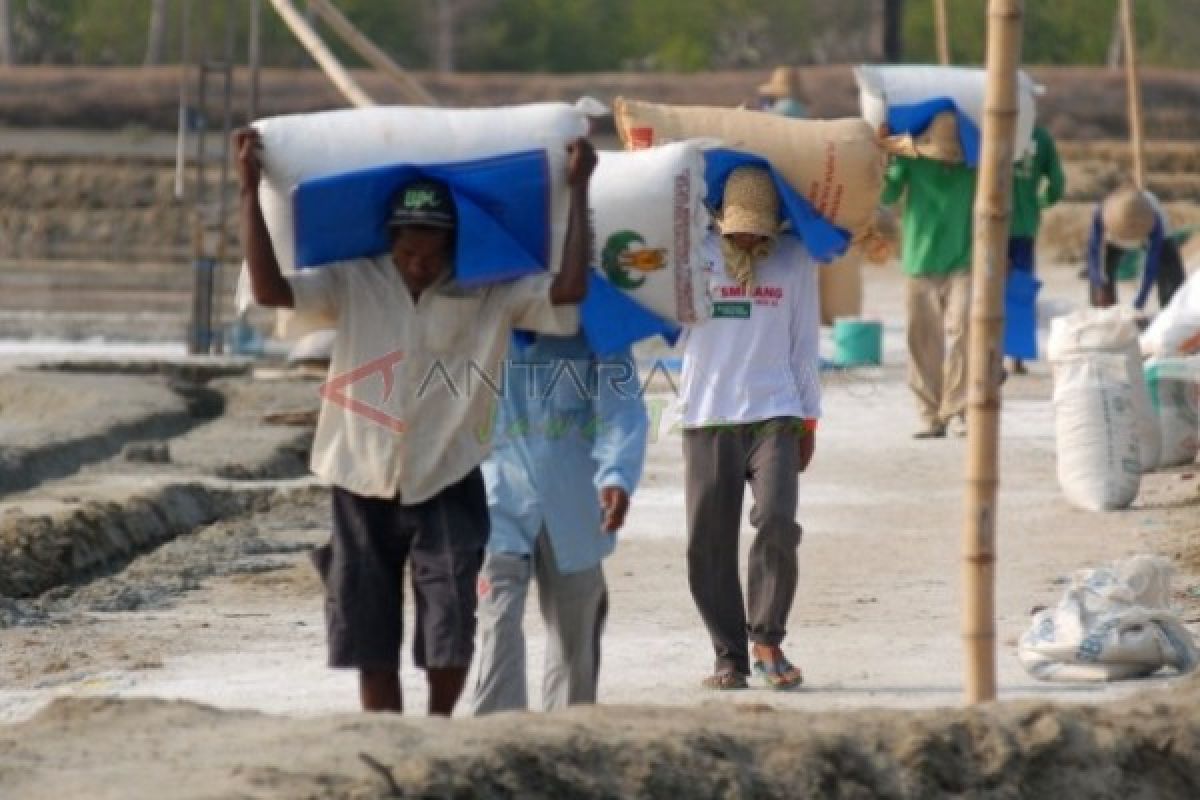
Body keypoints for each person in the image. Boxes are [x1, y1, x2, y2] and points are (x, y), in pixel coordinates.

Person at [233, 127, 596, 715]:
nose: (419, 265)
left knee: (451, 629)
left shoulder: (491, 288)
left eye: (431, 255)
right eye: (407, 254)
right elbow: (273, 291)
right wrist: (248, 191)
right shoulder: (352, 278)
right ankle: (388, 739)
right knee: (366, 633)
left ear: (455, 245)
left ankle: (435, 730)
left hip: (448, 476)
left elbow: (570, 289)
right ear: (389, 241)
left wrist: (577, 191)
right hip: (358, 476)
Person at [680, 166, 819, 691]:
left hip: (776, 412)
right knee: (707, 542)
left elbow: (805, 344)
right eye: (737, 227)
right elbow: (669, 329)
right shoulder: (694, 255)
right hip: (707, 413)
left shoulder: (794, 261)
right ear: (719, 219)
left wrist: (809, 419)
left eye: (757, 228)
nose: (746, 238)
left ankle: (767, 638)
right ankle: (729, 656)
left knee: (779, 520)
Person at [470, 332, 648, 714]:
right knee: (497, 625)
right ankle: (497, 742)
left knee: (575, 641)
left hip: (575, 505)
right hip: (496, 499)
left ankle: (566, 742)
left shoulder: (599, 329)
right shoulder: (481, 320)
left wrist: (617, 476)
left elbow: (622, 409)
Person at [880, 148, 977, 439]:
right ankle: (929, 415)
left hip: (964, 261)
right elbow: (886, 196)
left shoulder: (974, 160)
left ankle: (958, 410)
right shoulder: (911, 159)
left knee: (964, 331)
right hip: (919, 262)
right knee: (922, 339)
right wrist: (888, 161)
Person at [1007, 124, 1065, 375]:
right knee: (1020, 290)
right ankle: (1017, 357)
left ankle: (984, 355)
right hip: (1024, 226)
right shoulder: (1041, 137)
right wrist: (1039, 201)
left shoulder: (985, 128)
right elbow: (1057, 184)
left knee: (987, 289)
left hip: (989, 225)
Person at [1087, 185, 1186, 315]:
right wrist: (1099, 283)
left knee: (1171, 276)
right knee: (1101, 288)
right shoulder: (1102, 214)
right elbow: (1095, 256)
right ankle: (1104, 314)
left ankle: (1174, 316)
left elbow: (1150, 268)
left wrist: (1138, 303)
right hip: (1111, 238)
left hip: (1153, 236)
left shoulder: (1154, 221)